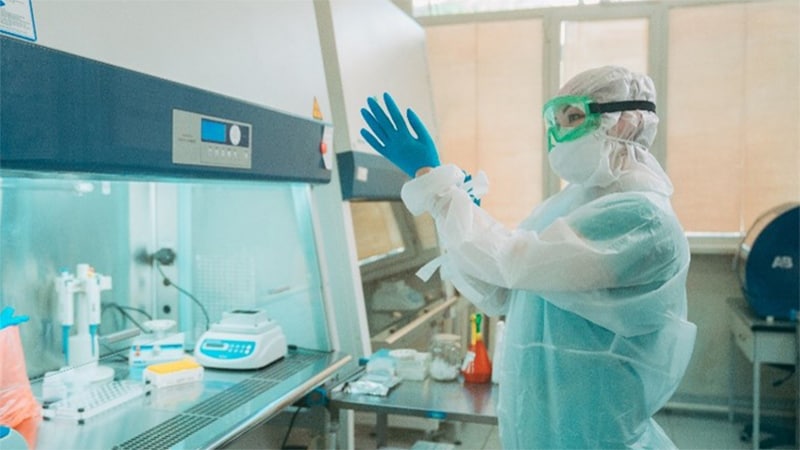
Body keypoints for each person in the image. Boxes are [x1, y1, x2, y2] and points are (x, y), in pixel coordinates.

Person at [360, 65, 697, 449]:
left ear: (623, 123)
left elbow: (511, 261)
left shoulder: (642, 219)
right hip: (541, 427)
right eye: (553, 121)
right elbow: (504, 289)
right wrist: (463, 217)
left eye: (572, 116)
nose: (558, 134)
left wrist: (436, 184)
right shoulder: (569, 204)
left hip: (597, 434)